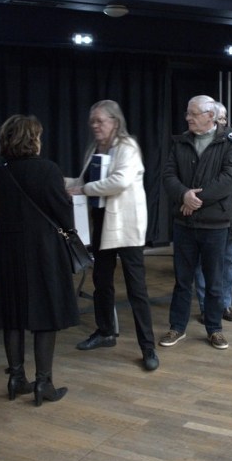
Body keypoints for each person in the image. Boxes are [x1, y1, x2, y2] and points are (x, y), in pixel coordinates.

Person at [0, 115, 79, 405]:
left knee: (12, 315)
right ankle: (43, 383)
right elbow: (63, 214)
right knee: (45, 313)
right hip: (43, 250)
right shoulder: (48, 170)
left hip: (8, 251)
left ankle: (16, 378)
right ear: (32, 139)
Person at [66, 100, 158, 372]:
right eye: (92, 121)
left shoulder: (128, 147)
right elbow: (83, 183)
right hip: (102, 224)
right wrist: (61, 183)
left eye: (100, 121)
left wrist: (83, 190)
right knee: (101, 281)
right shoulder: (94, 148)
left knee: (136, 288)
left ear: (115, 122)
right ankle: (105, 331)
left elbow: (119, 181)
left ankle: (148, 347)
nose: (94, 126)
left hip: (126, 227)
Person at [160, 95, 232, 350]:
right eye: (188, 113)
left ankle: (214, 329)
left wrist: (194, 199)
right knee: (182, 281)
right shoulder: (181, 141)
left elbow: (228, 180)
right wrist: (184, 195)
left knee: (214, 281)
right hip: (184, 224)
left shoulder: (231, 141)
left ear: (210, 116)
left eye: (193, 114)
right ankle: (177, 327)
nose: (188, 118)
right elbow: (168, 175)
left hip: (215, 225)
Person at [193, 102, 232, 323]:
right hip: (202, 215)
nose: (221, 123)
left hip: (231, 215)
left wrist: (227, 199)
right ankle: (206, 307)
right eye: (218, 119)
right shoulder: (197, 145)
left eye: (224, 119)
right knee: (202, 265)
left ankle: (224, 304)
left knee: (229, 261)